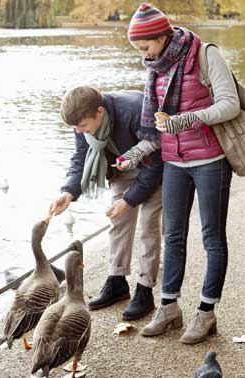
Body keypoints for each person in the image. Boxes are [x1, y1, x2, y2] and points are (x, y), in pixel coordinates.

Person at [123, 3, 240, 344]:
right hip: (174, 161)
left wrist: (186, 120)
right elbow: (158, 128)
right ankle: (169, 307)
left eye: (144, 46)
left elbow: (229, 104)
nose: (142, 54)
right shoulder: (156, 68)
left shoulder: (205, 54)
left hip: (210, 160)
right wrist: (135, 153)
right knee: (172, 236)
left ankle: (206, 313)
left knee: (211, 238)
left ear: (161, 35)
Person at [49, 86, 163, 321]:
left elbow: (156, 162)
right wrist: (68, 192)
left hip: (154, 168)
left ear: (100, 111)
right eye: (75, 128)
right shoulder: (81, 121)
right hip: (120, 168)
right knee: (117, 221)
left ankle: (145, 290)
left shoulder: (134, 111)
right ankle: (117, 282)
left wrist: (129, 200)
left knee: (147, 227)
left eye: (83, 126)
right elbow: (81, 157)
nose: (80, 132)